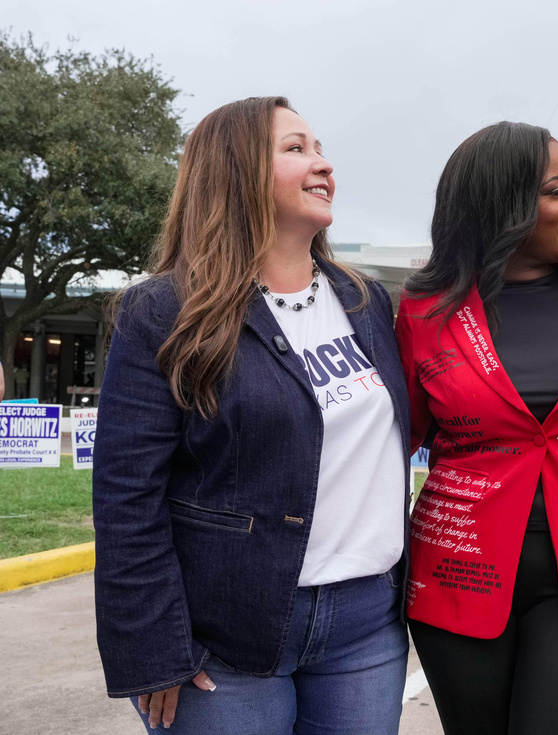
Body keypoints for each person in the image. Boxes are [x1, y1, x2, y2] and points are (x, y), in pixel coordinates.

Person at [92, 97, 410, 735]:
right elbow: (128, 493)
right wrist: (153, 650)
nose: (323, 166)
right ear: (234, 171)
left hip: (365, 628)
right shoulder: (163, 310)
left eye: (320, 150)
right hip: (225, 637)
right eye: (296, 149)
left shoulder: (365, 300)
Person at [397, 121, 558, 735]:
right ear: (502, 206)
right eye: (555, 191)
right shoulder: (423, 310)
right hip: (457, 569)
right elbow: (394, 440)